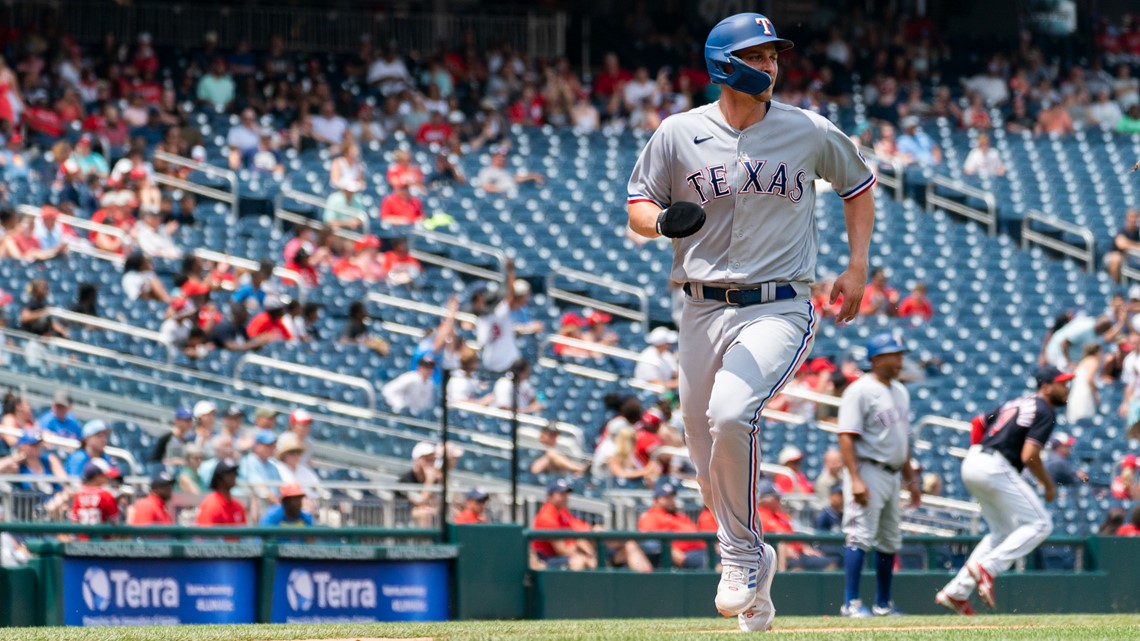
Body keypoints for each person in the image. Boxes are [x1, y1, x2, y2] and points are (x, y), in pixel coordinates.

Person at [626, 11, 875, 626]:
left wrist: (858, 265)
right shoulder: (678, 133)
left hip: (778, 304)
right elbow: (637, 203)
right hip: (699, 306)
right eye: (759, 56)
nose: (771, 65)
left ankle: (737, 553)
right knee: (703, 446)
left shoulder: (807, 130)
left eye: (773, 55)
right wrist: (659, 223)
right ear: (725, 65)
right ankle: (755, 560)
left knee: (732, 413)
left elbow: (859, 185)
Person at [935, 366, 1071, 615]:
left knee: (1003, 532)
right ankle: (989, 567)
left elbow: (977, 423)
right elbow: (1029, 456)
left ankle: (956, 592)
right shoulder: (1045, 410)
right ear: (1046, 386)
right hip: (995, 465)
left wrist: (980, 453)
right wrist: (1048, 485)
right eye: (1062, 383)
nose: (1067, 388)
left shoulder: (1018, 402)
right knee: (1041, 524)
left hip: (974, 460)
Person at [837, 333, 920, 617]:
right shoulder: (859, 390)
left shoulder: (900, 391)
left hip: (893, 473)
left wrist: (911, 480)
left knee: (889, 539)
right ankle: (851, 604)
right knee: (859, 535)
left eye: (900, 354)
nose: (899, 359)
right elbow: (846, 437)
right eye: (893, 354)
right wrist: (856, 478)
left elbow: (903, 440)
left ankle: (883, 604)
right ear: (876, 359)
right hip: (868, 469)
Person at [637, 481, 707, 569]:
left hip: (701, 550)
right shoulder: (651, 516)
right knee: (711, 564)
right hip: (683, 555)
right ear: (656, 500)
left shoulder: (680, 515)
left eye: (672, 497)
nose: (671, 501)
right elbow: (648, 540)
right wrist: (669, 550)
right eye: (666, 498)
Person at [531, 479, 597, 571]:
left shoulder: (562, 512)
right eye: (561, 494)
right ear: (550, 496)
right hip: (547, 559)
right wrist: (585, 556)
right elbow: (561, 550)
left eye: (566, 494)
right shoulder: (546, 516)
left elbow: (578, 533)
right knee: (578, 561)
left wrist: (590, 553)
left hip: (561, 555)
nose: (565, 497)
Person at [195, 458, 248, 527]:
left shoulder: (238, 506)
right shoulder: (211, 505)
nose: (234, 476)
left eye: (234, 473)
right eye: (229, 473)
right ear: (219, 478)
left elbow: (244, 535)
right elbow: (205, 535)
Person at [70, 460, 120, 527]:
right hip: (101, 536)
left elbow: (74, 521)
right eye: (104, 476)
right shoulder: (106, 495)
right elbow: (115, 522)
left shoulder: (78, 495)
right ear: (97, 477)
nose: (108, 478)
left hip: (82, 536)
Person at [1066, 344, 1101, 423]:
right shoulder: (1093, 361)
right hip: (1085, 394)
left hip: (1075, 394)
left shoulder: (1083, 361)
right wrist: (1095, 395)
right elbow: (1090, 379)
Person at [1104, 209, 1140, 283]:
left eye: (1135, 217)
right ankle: (1115, 286)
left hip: (1131, 258)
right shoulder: (1122, 230)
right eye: (1131, 217)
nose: (1133, 219)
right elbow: (1121, 244)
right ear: (1127, 218)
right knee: (1116, 258)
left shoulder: (1137, 233)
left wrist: (1129, 244)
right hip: (1113, 256)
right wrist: (1136, 245)